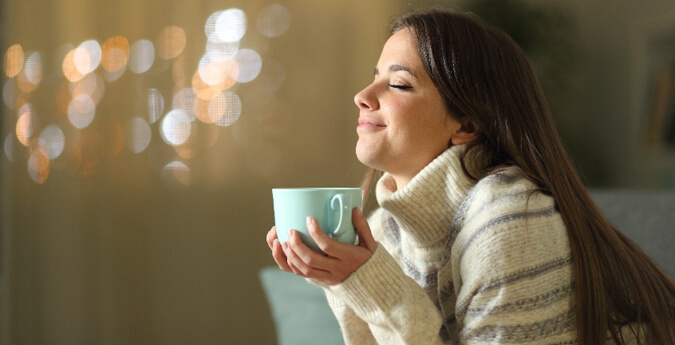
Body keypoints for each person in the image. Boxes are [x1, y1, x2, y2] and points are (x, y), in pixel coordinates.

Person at [266, 7, 675, 345]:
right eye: (375, 77)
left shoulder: (509, 219)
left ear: (465, 125)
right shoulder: (382, 232)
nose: (363, 96)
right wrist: (342, 279)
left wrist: (373, 286)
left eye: (397, 83)